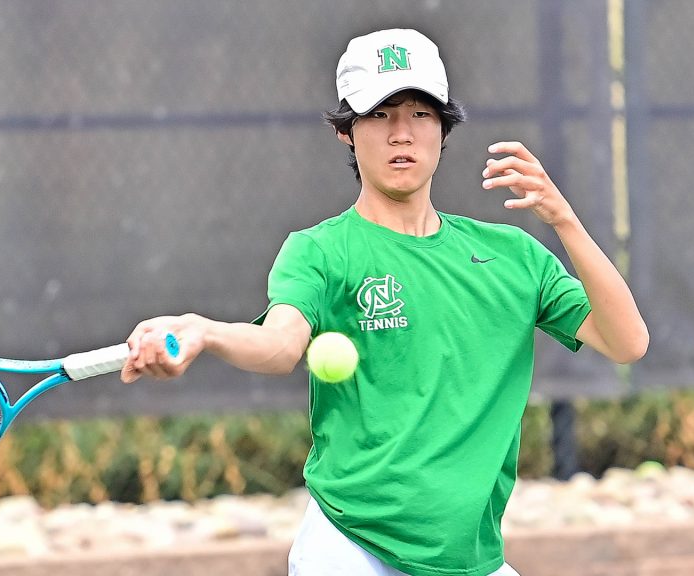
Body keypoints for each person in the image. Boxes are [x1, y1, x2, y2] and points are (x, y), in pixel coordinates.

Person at [120, 28, 648, 576]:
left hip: (470, 559)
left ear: (444, 128)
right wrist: (204, 332)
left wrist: (564, 220)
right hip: (351, 548)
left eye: (420, 113)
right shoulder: (321, 252)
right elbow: (280, 345)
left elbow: (627, 341)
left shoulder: (512, 255)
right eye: (380, 113)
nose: (402, 133)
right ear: (348, 132)